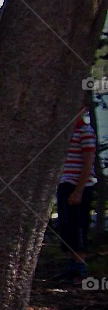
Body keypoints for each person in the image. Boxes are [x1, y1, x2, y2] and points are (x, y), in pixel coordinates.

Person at [55, 108, 97, 282]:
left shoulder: (85, 132)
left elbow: (88, 164)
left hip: (79, 185)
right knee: (66, 226)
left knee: (78, 226)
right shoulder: (66, 134)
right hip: (65, 183)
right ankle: (71, 266)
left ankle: (80, 268)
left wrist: (78, 190)